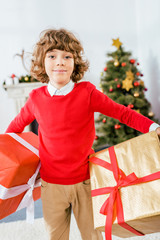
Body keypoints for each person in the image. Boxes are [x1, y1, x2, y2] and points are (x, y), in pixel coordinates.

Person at [6, 28, 160, 240]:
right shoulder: (35, 98)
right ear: (42, 62)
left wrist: (154, 128)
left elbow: (123, 113)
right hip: (51, 187)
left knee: (92, 236)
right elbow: (12, 132)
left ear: (75, 62)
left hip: (87, 183)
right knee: (55, 237)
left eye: (66, 56)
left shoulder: (87, 93)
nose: (60, 61)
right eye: (52, 56)